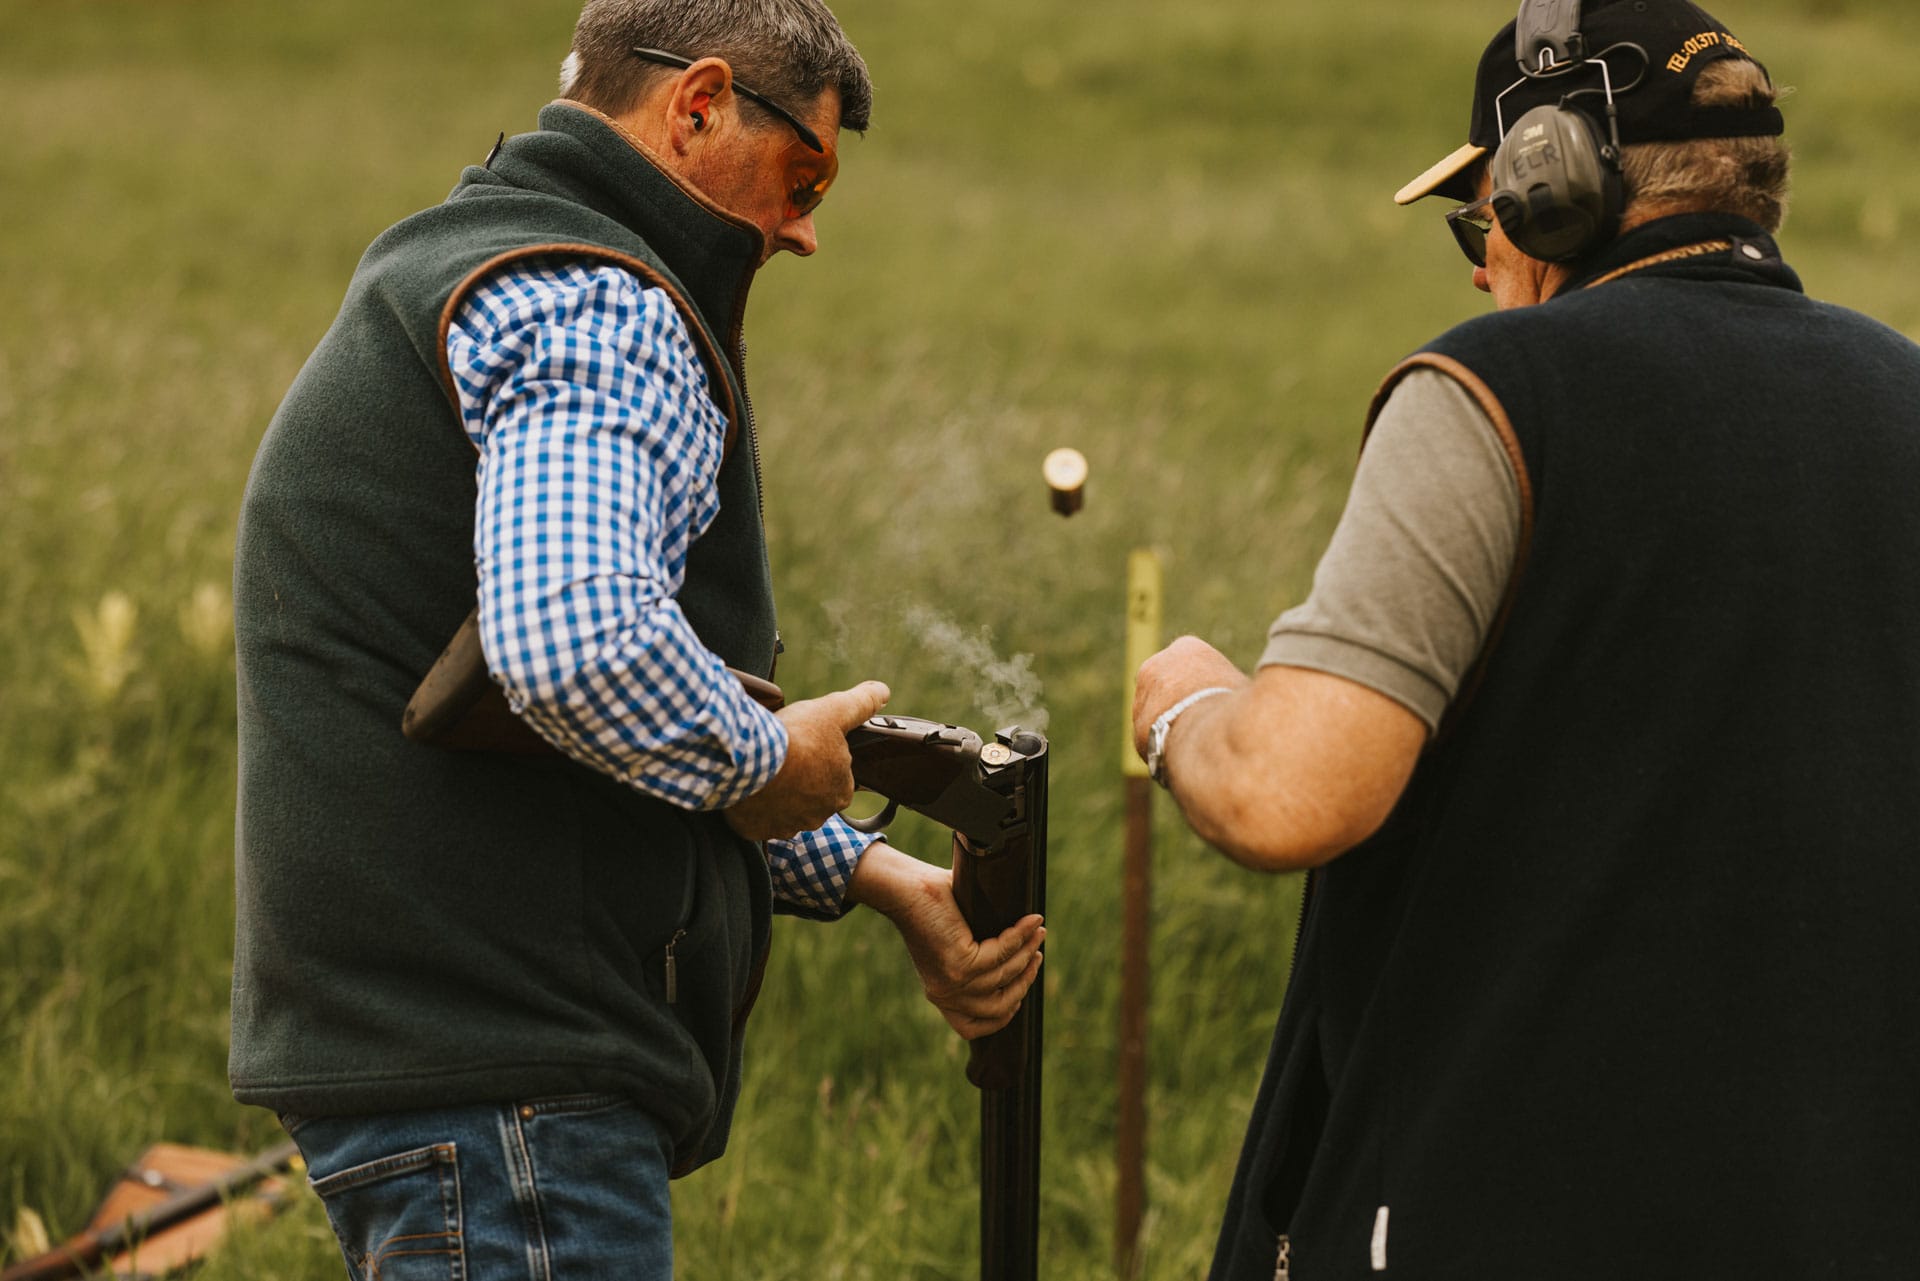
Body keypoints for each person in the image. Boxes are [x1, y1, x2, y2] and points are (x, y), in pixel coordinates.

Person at [230, 1, 1044, 1274]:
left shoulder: (478, 257)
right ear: (700, 103)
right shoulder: (601, 302)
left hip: (446, 1067)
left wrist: (881, 876)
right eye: (805, 172)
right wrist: (772, 760)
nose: (807, 227)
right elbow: (577, 647)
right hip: (507, 1078)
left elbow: (556, 719)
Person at [1132, 0, 1920, 1275]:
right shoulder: (1909, 400)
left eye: (1479, 215)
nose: (1482, 257)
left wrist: (1185, 703)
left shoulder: (1497, 390)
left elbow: (1288, 795)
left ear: (1554, 182)